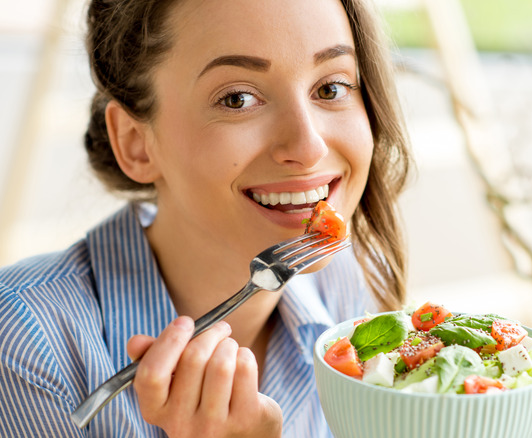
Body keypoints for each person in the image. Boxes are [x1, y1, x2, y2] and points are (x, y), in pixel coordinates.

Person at [0, 0, 412, 436]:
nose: (308, 146)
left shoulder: (351, 286)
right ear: (136, 143)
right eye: (237, 99)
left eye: (330, 88)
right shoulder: (26, 344)